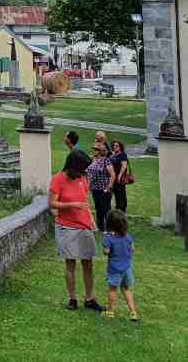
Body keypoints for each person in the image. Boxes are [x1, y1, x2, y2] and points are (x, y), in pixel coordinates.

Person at [49, 149, 103, 312]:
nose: (83, 172)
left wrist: (91, 220)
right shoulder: (58, 180)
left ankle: (89, 298)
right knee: (70, 263)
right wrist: (72, 205)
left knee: (88, 262)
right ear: (73, 166)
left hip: (84, 224)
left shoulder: (81, 178)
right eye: (81, 168)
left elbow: (84, 200)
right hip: (66, 226)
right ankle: (72, 298)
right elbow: (52, 204)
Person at [101, 209, 139, 321]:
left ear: (109, 224)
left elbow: (106, 252)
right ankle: (133, 312)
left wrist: (106, 245)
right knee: (126, 289)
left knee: (112, 290)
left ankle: (110, 312)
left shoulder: (108, 237)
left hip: (115, 269)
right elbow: (132, 249)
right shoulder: (127, 236)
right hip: (127, 269)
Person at [88, 136, 116, 227]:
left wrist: (108, 188)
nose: (94, 151)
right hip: (95, 188)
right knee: (98, 209)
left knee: (106, 209)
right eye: (94, 149)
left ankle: (109, 228)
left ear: (100, 151)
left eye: (96, 149)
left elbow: (113, 175)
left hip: (104, 189)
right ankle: (100, 227)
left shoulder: (106, 161)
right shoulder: (93, 160)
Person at [110, 139, 132, 212]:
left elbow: (124, 165)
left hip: (119, 177)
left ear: (120, 147)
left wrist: (120, 175)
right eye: (114, 146)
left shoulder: (122, 154)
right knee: (116, 192)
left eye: (117, 146)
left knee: (121, 192)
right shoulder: (113, 154)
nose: (115, 147)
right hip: (114, 177)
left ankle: (122, 208)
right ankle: (118, 207)